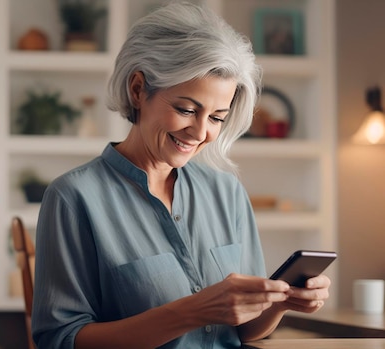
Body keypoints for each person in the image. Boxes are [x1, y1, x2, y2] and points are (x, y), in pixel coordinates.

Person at [31, 2, 331, 348]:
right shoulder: (73, 198)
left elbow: (244, 330)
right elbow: (60, 340)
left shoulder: (226, 192)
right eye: (187, 109)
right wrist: (193, 311)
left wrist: (281, 302)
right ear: (138, 89)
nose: (200, 132)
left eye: (217, 117)